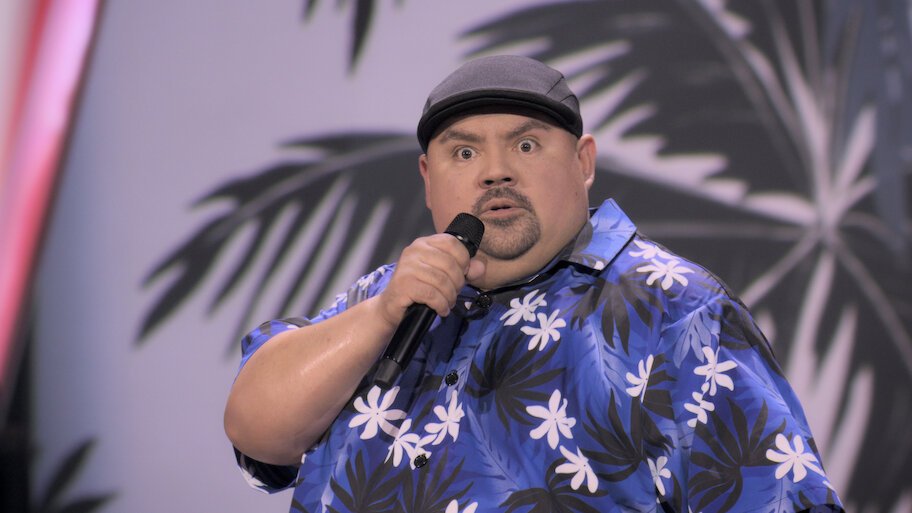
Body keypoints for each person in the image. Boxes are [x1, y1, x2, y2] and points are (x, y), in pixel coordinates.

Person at [224, 55, 844, 513]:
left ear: (583, 163)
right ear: (428, 178)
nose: (495, 172)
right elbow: (257, 431)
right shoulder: (384, 298)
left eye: (525, 145)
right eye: (464, 153)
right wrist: (383, 314)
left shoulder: (674, 310)